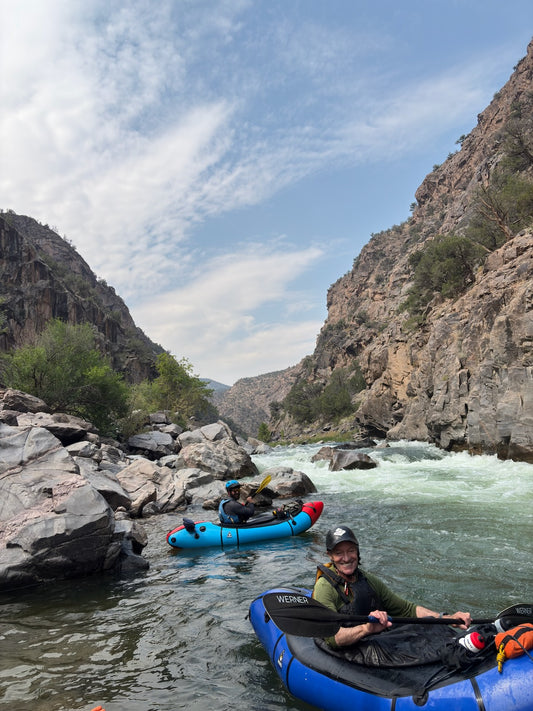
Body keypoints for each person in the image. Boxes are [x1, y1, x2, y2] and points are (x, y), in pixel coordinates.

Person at [313, 525, 472, 649]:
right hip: (348, 650)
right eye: (339, 553)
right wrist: (366, 629)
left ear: (357, 551)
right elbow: (333, 639)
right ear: (330, 555)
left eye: (351, 551)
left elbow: (407, 609)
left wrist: (446, 619)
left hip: (372, 643)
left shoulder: (367, 580)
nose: (346, 558)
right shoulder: (325, 588)